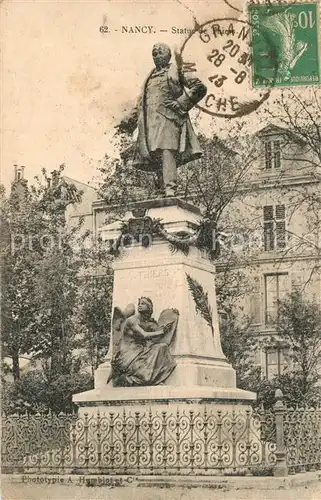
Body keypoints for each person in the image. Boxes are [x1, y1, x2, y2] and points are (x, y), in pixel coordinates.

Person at [117, 43, 207, 197]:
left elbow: (199, 87)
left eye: (160, 52)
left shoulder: (177, 70)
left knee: (167, 152)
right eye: (154, 53)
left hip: (169, 119)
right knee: (155, 155)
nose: (157, 55)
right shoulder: (149, 78)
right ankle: (161, 190)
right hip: (150, 125)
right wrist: (127, 121)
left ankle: (170, 188)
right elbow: (140, 104)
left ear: (169, 55)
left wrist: (180, 103)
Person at [109, 297, 177, 387]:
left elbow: (158, 335)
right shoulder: (132, 320)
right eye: (139, 304)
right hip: (128, 354)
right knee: (144, 369)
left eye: (143, 304)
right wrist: (161, 332)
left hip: (141, 350)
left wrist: (171, 317)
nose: (140, 305)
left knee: (162, 347)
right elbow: (144, 335)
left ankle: (153, 377)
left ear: (149, 308)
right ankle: (133, 378)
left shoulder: (148, 322)